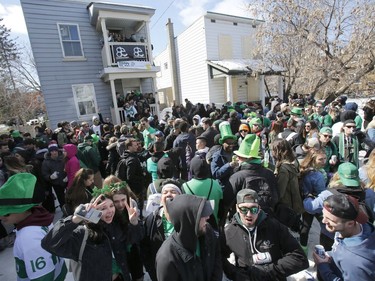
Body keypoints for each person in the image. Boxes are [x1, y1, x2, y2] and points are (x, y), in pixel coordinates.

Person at [42, 193, 141, 281]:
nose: (110, 210)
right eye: (103, 208)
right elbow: (49, 243)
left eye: (111, 206)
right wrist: (75, 219)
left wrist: (134, 223)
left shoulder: (116, 226)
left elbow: (135, 239)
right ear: (94, 211)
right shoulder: (83, 234)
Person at [222, 189, 309, 281]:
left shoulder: (274, 226)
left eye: (253, 209)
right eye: (243, 209)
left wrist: (267, 271)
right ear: (237, 208)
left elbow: (300, 258)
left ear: (259, 208)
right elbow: (218, 257)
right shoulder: (229, 232)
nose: (249, 214)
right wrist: (235, 273)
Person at [0, 173, 67, 280]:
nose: (1, 216)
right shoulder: (40, 217)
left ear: (24, 209)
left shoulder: (28, 237)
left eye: (7, 213)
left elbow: (43, 276)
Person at [155, 194, 222, 281]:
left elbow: (217, 260)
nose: (208, 217)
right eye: (202, 214)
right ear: (189, 220)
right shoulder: (166, 258)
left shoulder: (207, 231)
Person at [314, 194, 375, 281]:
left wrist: (323, 267)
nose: (323, 221)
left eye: (330, 219)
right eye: (324, 216)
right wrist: (332, 255)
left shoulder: (354, 263)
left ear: (350, 223)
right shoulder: (363, 226)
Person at [141, 180, 182, 281]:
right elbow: (145, 250)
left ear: (181, 196)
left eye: (173, 191)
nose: (168, 194)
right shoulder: (151, 219)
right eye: (165, 192)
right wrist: (153, 272)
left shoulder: (187, 218)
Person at [182, 156, 223, 225]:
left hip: (194, 226)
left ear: (191, 169)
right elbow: (221, 208)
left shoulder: (185, 186)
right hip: (213, 225)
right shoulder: (216, 184)